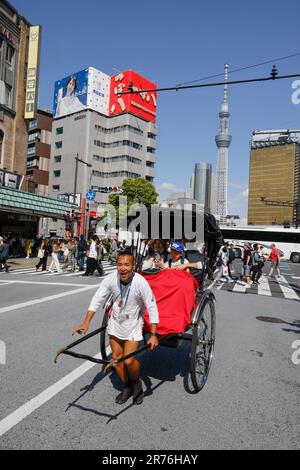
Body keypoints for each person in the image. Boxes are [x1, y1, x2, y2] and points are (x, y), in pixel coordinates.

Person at [72, 250, 159, 405]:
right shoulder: (111, 279)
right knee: (117, 358)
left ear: (133, 266)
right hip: (115, 323)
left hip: (133, 324)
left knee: (129, 361)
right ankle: (127, 386)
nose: (123, 268)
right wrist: (86, 322)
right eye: (120, 264)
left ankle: (136, 383)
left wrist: (153, 334)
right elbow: (97, 298)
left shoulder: (140, 282)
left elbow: (151, 306)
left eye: (127, 264)